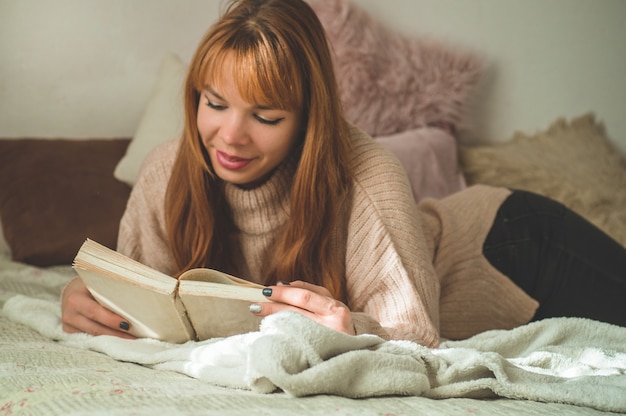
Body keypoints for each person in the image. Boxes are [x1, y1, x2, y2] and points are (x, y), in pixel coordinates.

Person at [61, 0, 626, 347]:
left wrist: (354, 329)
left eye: (265, 115)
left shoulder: (368, 174)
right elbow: (150, 295)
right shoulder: (168, 170)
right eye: (214, 103)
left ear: (309, 119)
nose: (229, 136)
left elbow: (414, 335)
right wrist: (90, 299)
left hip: (515, 247)